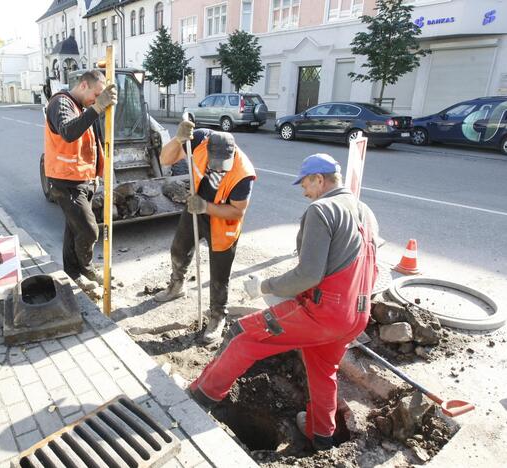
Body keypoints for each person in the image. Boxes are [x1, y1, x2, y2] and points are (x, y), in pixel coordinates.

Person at [188, 153, 379, 451]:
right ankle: (322, 435)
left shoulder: (322, 209)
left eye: (305, 183)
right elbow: (369, 268)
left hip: (322, 313)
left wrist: (263, 286)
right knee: (322, 370)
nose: (304, 191)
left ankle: (200, 396)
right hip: (356, 315)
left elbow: (308, 274)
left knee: (243, 335)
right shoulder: (365, 210)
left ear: (319, 179)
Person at [155, 121, 256, 343]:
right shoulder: (199, 140)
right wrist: (178, 139)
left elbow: (237, 212)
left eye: (224, 165)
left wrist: (206, 207)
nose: (219, 169)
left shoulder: (243, 174)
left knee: (220, 275)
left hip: (223, 222)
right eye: (215, 164)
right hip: (195, 209)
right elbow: (165, 159)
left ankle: (218, 316)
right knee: (179, 250)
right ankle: (177, 285)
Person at [44, 70, 117, 295]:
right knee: (88, 230)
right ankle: (86, 270)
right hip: (65, 180)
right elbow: (68, 132)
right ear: (83, 85)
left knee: (73, 230)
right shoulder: (60, 103)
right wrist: (97, 108)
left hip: (82, 179)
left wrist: (96, 175)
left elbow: (93, 145)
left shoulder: (82, 108)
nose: (97, 100)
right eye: (96, 94)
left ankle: (72, 273)